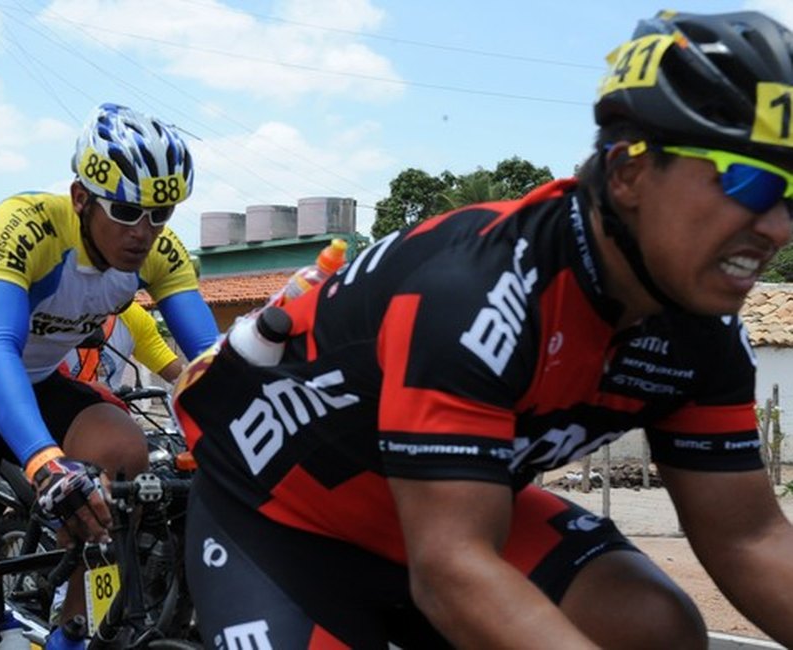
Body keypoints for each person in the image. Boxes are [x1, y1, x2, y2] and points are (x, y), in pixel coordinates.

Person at [173, 10, 793, 648]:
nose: (777, 226)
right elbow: (452, 571)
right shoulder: (474, 290)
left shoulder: (705, 335)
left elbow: (750, 539)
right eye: (749, 180)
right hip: (288, 520)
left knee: (649, 625)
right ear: (630, 171)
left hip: (445, 513)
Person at [0, 102, 218, 649]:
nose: (145, 232)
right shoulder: (25, 226)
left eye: (161, 214)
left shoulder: (158, 250)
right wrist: (44, 462)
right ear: (81, 197)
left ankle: (71, 632)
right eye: (127, 212)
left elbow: (207, 354)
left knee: (126, 455)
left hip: (34, 385)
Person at [62, 301, 184, 386]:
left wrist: (198, 385)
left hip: (108, 412)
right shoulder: (49, 310)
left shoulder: (133, 315)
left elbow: (170, 368)